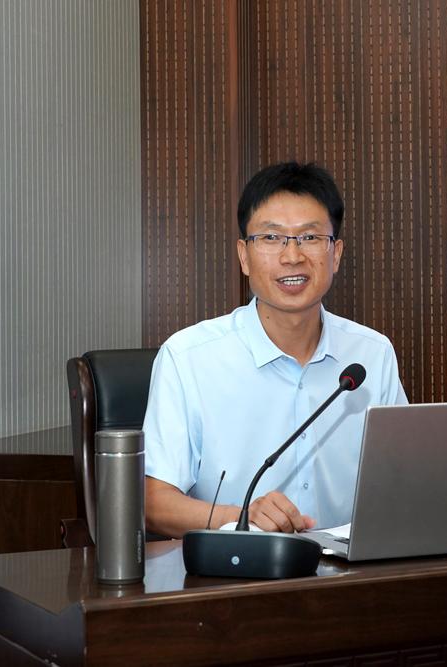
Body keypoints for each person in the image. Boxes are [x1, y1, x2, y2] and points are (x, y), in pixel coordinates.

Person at [143, 162, 407, 538]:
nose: (292, 256)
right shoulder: (188, 358)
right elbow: (154, 503)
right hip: (237, 566)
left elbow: (403, 483)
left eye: (310, 237)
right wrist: (241, 518)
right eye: (271, 238)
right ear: (244, 256)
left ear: (335, 254)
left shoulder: (371, 355)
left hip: (348, 568)